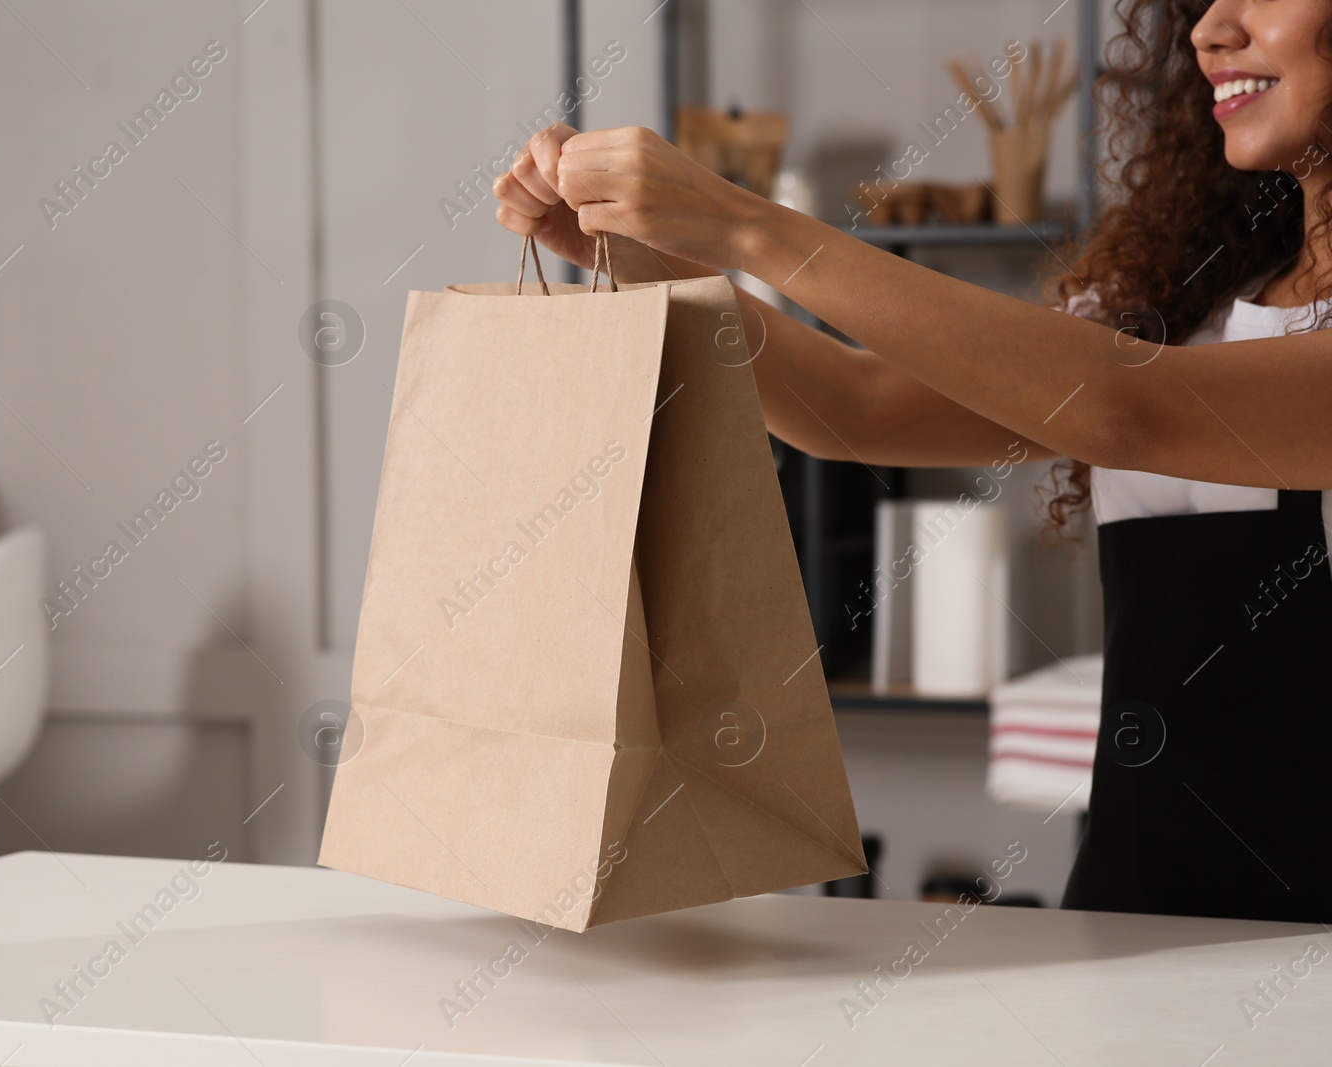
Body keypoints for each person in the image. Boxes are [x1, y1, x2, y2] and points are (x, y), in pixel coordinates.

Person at [491, 0, 1332, 925]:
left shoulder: (1147, 372)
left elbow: (1123, 409)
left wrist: (741, 221)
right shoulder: (1202, 297)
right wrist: (650, 260)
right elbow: (855, 407)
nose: (1212, 30)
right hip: (1133, 918)